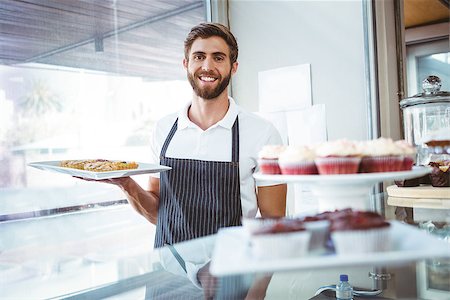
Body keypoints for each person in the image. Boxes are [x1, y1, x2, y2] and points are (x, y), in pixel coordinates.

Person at [87, 22, 286, 298]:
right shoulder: (164, 130)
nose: (208, 66)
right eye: (199, 56)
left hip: (229, 280)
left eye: (218, 57)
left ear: (234, 67)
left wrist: (256, 293)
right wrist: (127, 185)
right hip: (166, 279)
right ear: (186, 64)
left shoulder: (262, 133)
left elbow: (274, 226)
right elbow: (159, 213)